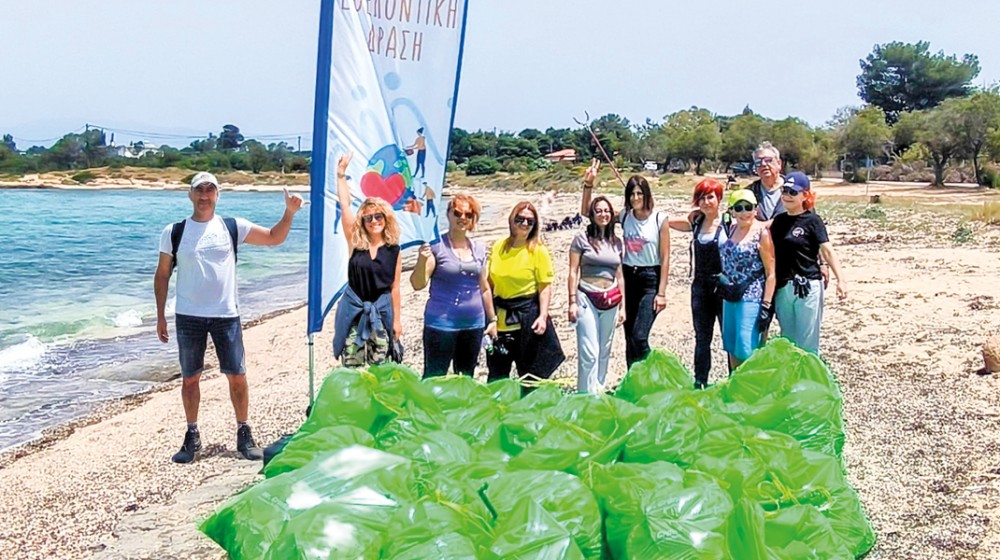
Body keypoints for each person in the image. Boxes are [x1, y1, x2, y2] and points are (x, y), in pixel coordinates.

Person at [154, 172, 306, 464]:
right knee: (190, 379)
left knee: (237, 376)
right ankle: (192, 435)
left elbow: (274, 238)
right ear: (190, 195)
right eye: (199, 190)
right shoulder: (174, 231)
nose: (204, 196)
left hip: (226, 314)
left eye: (210, 190)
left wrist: (289, 213)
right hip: (188, 316)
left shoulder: (232, 226)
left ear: (218, 195)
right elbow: (162, 275)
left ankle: (244, 431)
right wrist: (160, 315)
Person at [581, 159, 670, 368]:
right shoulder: (625, 215)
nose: (636, 197)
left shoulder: (660, 219)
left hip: (651, 279)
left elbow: (665, 257)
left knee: (640, 336)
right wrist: (588, 184)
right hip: (628, 278)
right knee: (629, 337)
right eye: (632, 194)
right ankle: (634, 380)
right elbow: (588, 213)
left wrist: (662, 293)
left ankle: (656, 372)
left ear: (647, 194)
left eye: (639, 193)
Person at [410, 193, 498, 377]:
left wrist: (493, 320)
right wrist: (421, 259)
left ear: (474, 218)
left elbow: (484, 288)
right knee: (434, 376)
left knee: (465, 377)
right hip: (441, 324)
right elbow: (418, 284)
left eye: (468, 214)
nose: (462, 218)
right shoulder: (436, 246)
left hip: (474, 324)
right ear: (448, 214)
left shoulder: (479, 248)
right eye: (457, 213)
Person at [331, 152, 403, 367]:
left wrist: (397, 321)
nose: (373, 221)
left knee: (380, 368)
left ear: (386, 218)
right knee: (352, 367)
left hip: (381, 314)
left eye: (378, 216)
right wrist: (341, 175)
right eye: (368, 217)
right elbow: (345, 206)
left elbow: (395, 288)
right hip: (354, 313)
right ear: (362, 221)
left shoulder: (393, 250)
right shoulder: (356, 243)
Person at [486, 201, 565, 382]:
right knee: (497, 374)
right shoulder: (498, 246)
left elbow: (544, 286)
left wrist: (543, 316)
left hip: (527, 318)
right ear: (512, 220)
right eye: (520, 219)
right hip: (500, 320)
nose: (524, 224)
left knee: (530, 375)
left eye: (529, 221)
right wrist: (489, 317)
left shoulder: (538, 251)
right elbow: (488, 285)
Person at [770, 172, 848, 354]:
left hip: (807, 286)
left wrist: (841, 280)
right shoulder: (779, 222)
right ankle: (789, 379)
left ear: (805, 195)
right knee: (787, 341)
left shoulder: (813, 220)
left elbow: (827, 251)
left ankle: (808, 380)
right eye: (784, 191)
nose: (787, 196)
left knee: (807, 343)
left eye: (793, 192)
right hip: (783, 287)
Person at [669, 178, 728, 388]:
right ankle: (700, 381)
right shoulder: (695, 222)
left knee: (728, 338)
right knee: (702, 338)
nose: (706, 202)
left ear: (719, 198)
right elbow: (670, 223)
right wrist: (658, 219)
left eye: (710, 197)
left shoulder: (729, 222)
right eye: (701, 198)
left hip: (724, 288)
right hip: (700, 288)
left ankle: (734, 380)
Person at [568, 195, 625, 393]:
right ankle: (585, 394)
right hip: (586, 297)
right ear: (592, 215)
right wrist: (571, 301)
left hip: (611, 298)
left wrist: (623, 306)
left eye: (607, 211)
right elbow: (573, 271)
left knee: (605, 349)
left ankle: (599, 390)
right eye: (598, 211)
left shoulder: (617, 243)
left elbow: (620, 276)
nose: (603, 214)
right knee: (589, 352)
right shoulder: (581, 240)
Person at [718, 189, 776, 369]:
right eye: (739, 208)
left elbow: (771, 272)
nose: (744, 213)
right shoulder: (730, 229)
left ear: (755, 209)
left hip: (751, 297)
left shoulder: (762, 234)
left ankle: (752, 390)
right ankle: (736, 385)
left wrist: (766, 305)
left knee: (747, 349)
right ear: (732, 211)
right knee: (732, 346)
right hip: (730, 296)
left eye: (748, 207)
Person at [747, 141, 785, 223]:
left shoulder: (795, 189)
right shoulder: (748, 192)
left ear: (779, 163)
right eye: (758, 162)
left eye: (768, 160)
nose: (763, 164)